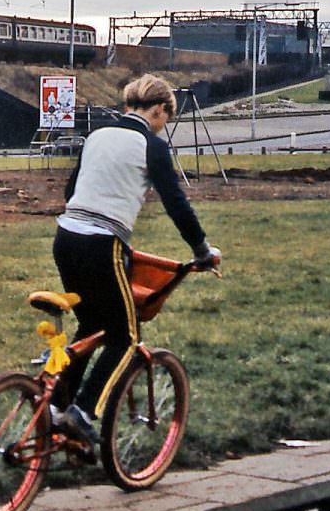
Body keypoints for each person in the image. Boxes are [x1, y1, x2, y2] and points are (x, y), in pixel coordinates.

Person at [51, 74, 219, 444]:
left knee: (91, 325)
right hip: (102, 244)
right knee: (125, 336)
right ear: (160, 110)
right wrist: (202, 251)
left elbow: (71, 189)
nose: (163, 128)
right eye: (165, 120)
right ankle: (81, 411)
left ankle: (55, 410)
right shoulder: (151, 146)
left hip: (66, 237)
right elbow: (176, 202)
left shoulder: (96, 135)